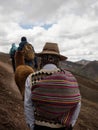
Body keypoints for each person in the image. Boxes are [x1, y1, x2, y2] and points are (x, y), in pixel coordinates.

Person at [24, 42, 81, 130]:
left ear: (42, 59)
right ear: (58, 60)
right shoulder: (69, 78)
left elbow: (28, 104)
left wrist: (32, 126)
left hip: (39, 126)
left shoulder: (31, 78)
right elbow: (77, 103)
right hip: (62, 126)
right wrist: (71, 124)